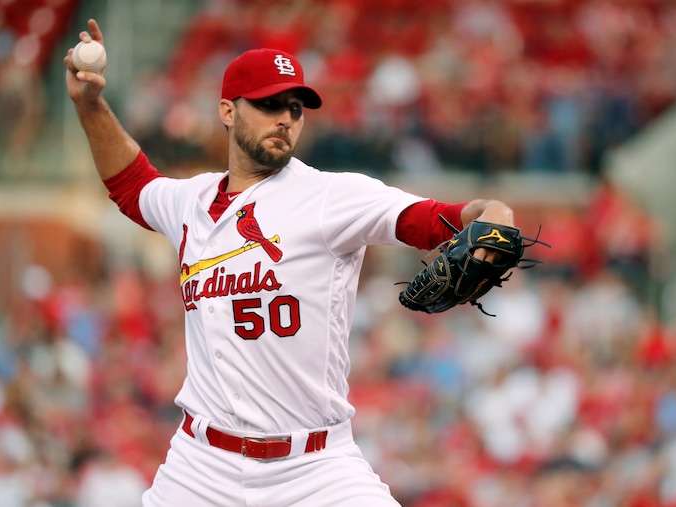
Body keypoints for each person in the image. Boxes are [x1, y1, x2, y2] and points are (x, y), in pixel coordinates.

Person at [64, 18, 517, 507]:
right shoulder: (189, 201)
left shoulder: (331, 196)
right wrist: (89, 104)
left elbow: (441, 218)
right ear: (227, 111)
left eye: (295, 108)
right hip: (201, 466)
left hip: (315, 468)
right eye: (268, 104)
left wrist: (496, 214)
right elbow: (132, 186)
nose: (285, 117)